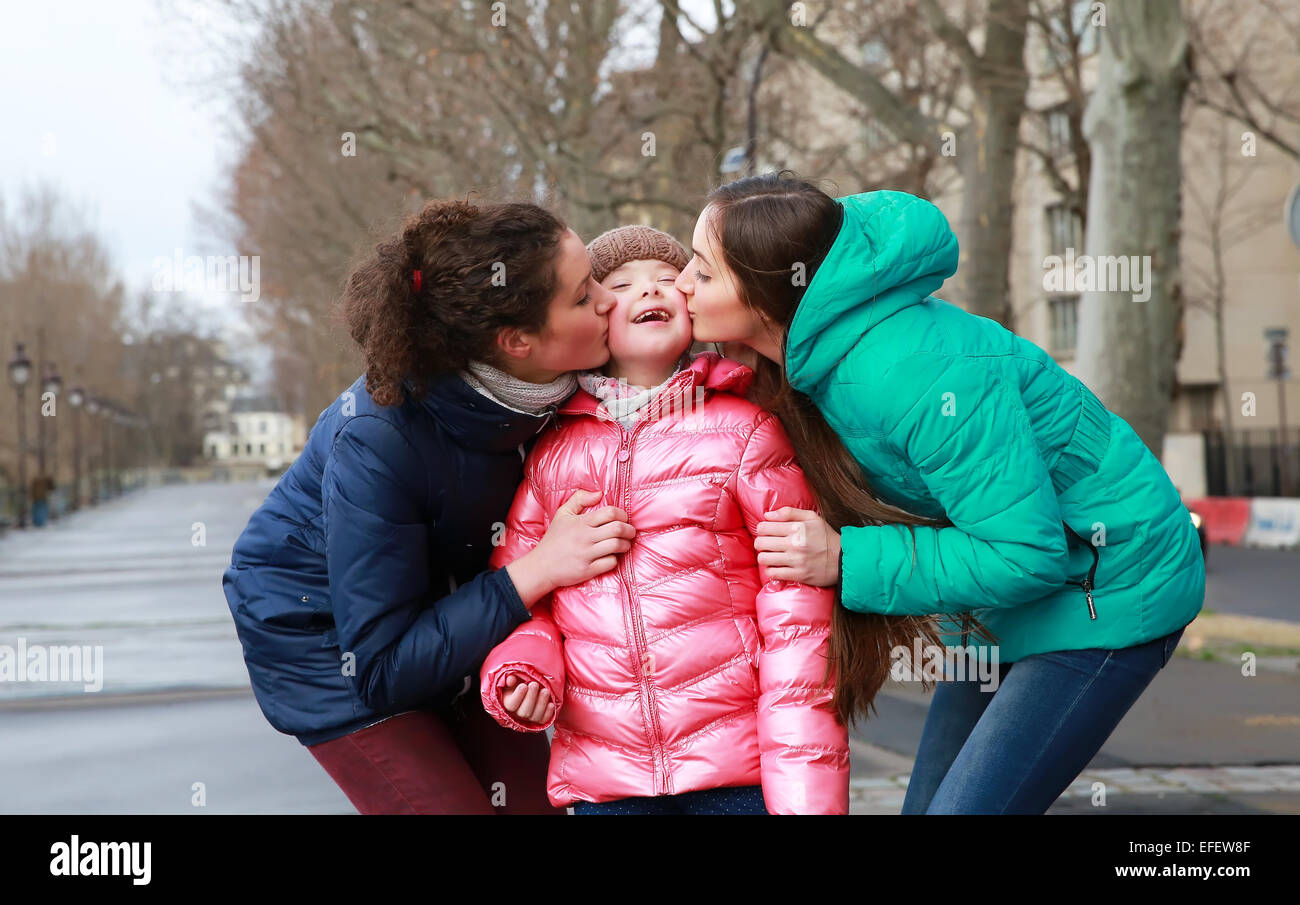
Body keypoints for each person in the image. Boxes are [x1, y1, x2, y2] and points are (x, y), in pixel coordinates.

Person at [673, 172, 1204, 814]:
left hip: (1109, 584)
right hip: (1003, 604)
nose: (682, 284)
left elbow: (1026, 554)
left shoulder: (915, 374)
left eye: (702, 272)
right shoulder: (810, 360)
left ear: (764, 295)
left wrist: (846, 558)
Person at [221, 197, 637, 814]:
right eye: (582, 297)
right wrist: (541, 569)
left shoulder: (559, 390)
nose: (608, 301)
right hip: (333, 649)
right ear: (517, 341)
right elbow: (382, 667)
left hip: (454, 617)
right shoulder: (380, 441)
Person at [477, 226, 849, 815]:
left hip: (738, 774)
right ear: (596, 317)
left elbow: (798, 620)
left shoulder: (747, 430)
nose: (651, 290)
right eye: (621, 284)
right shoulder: (551, 453)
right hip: (607, 779)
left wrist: (804, 794)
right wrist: (527, 666)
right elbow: (524, 589)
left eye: (669, 280)